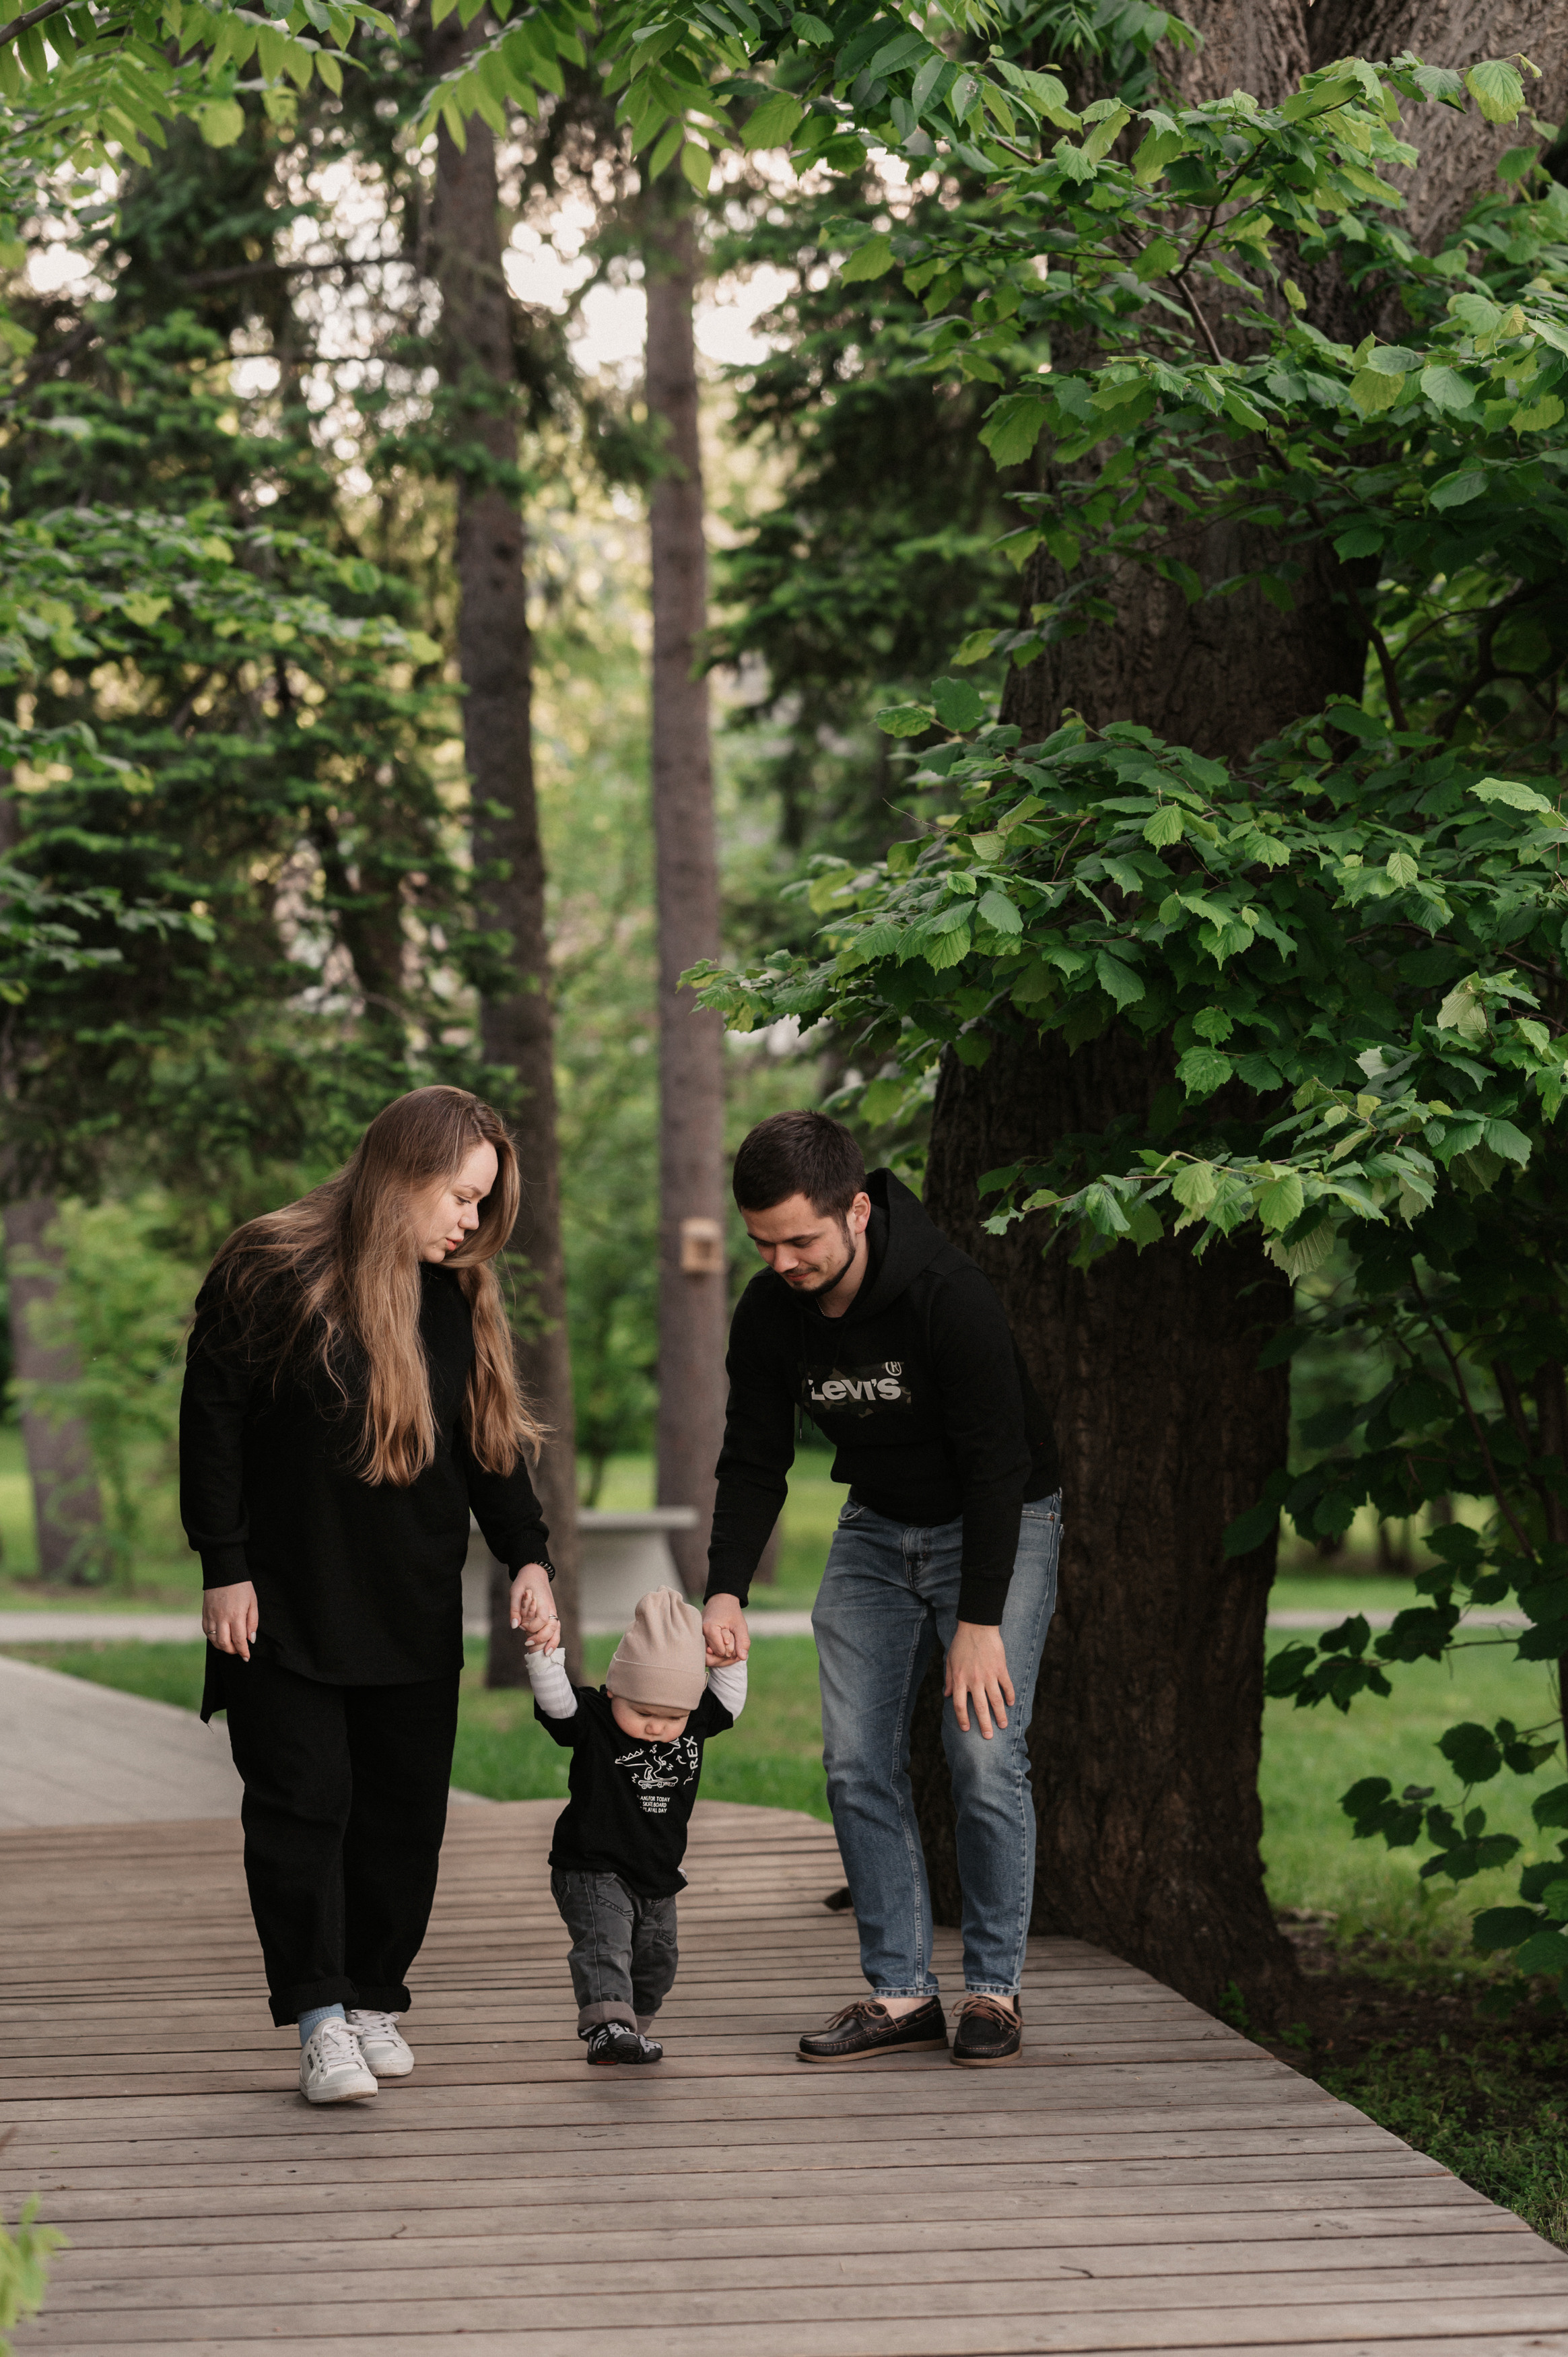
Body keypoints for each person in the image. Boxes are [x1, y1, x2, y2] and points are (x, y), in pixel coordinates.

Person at [181, 1086, 559, 2105]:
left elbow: (488, 1441)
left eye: (483, 1203)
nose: (471, 1222)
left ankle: (372, 1996)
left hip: (410, 1601)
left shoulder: (455, 1290)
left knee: (401, 1817)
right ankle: (319, 2018)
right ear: (404, 1174)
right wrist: (223, 1564)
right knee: (301, 1807)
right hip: (281, 1604)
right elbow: (211, 1421)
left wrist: (527, 1555)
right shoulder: (268, 1268)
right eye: (461, 1196)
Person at [702, 1109, 1062, 2068]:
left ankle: (993, 1990)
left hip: (998, 1518)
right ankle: (902, 1992)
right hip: (876, 1525)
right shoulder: (768, 1311)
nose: (781, 1261)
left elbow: (998, 1465)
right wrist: (725, 1590)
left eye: (800, 1240)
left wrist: (979, 1620)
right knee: (856, 1760)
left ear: (856, 1211)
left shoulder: (948, 1294)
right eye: (762, 1242)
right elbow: (753, 1456)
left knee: (982, 1751)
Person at [522, 1585, 746, 2063]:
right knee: (605, 1945)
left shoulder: (693, 1720)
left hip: (658, 1873)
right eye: (642, 1712)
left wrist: (728, 1662)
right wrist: (543, 1653)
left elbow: (728, 1702)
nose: (657, 1727)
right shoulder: (595, 1718)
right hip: (592, 1866)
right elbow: (557, 1702)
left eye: (673, 1717)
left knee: (657, 1958)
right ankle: (608, 2026)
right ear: (613, 1691)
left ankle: (630, 2030)